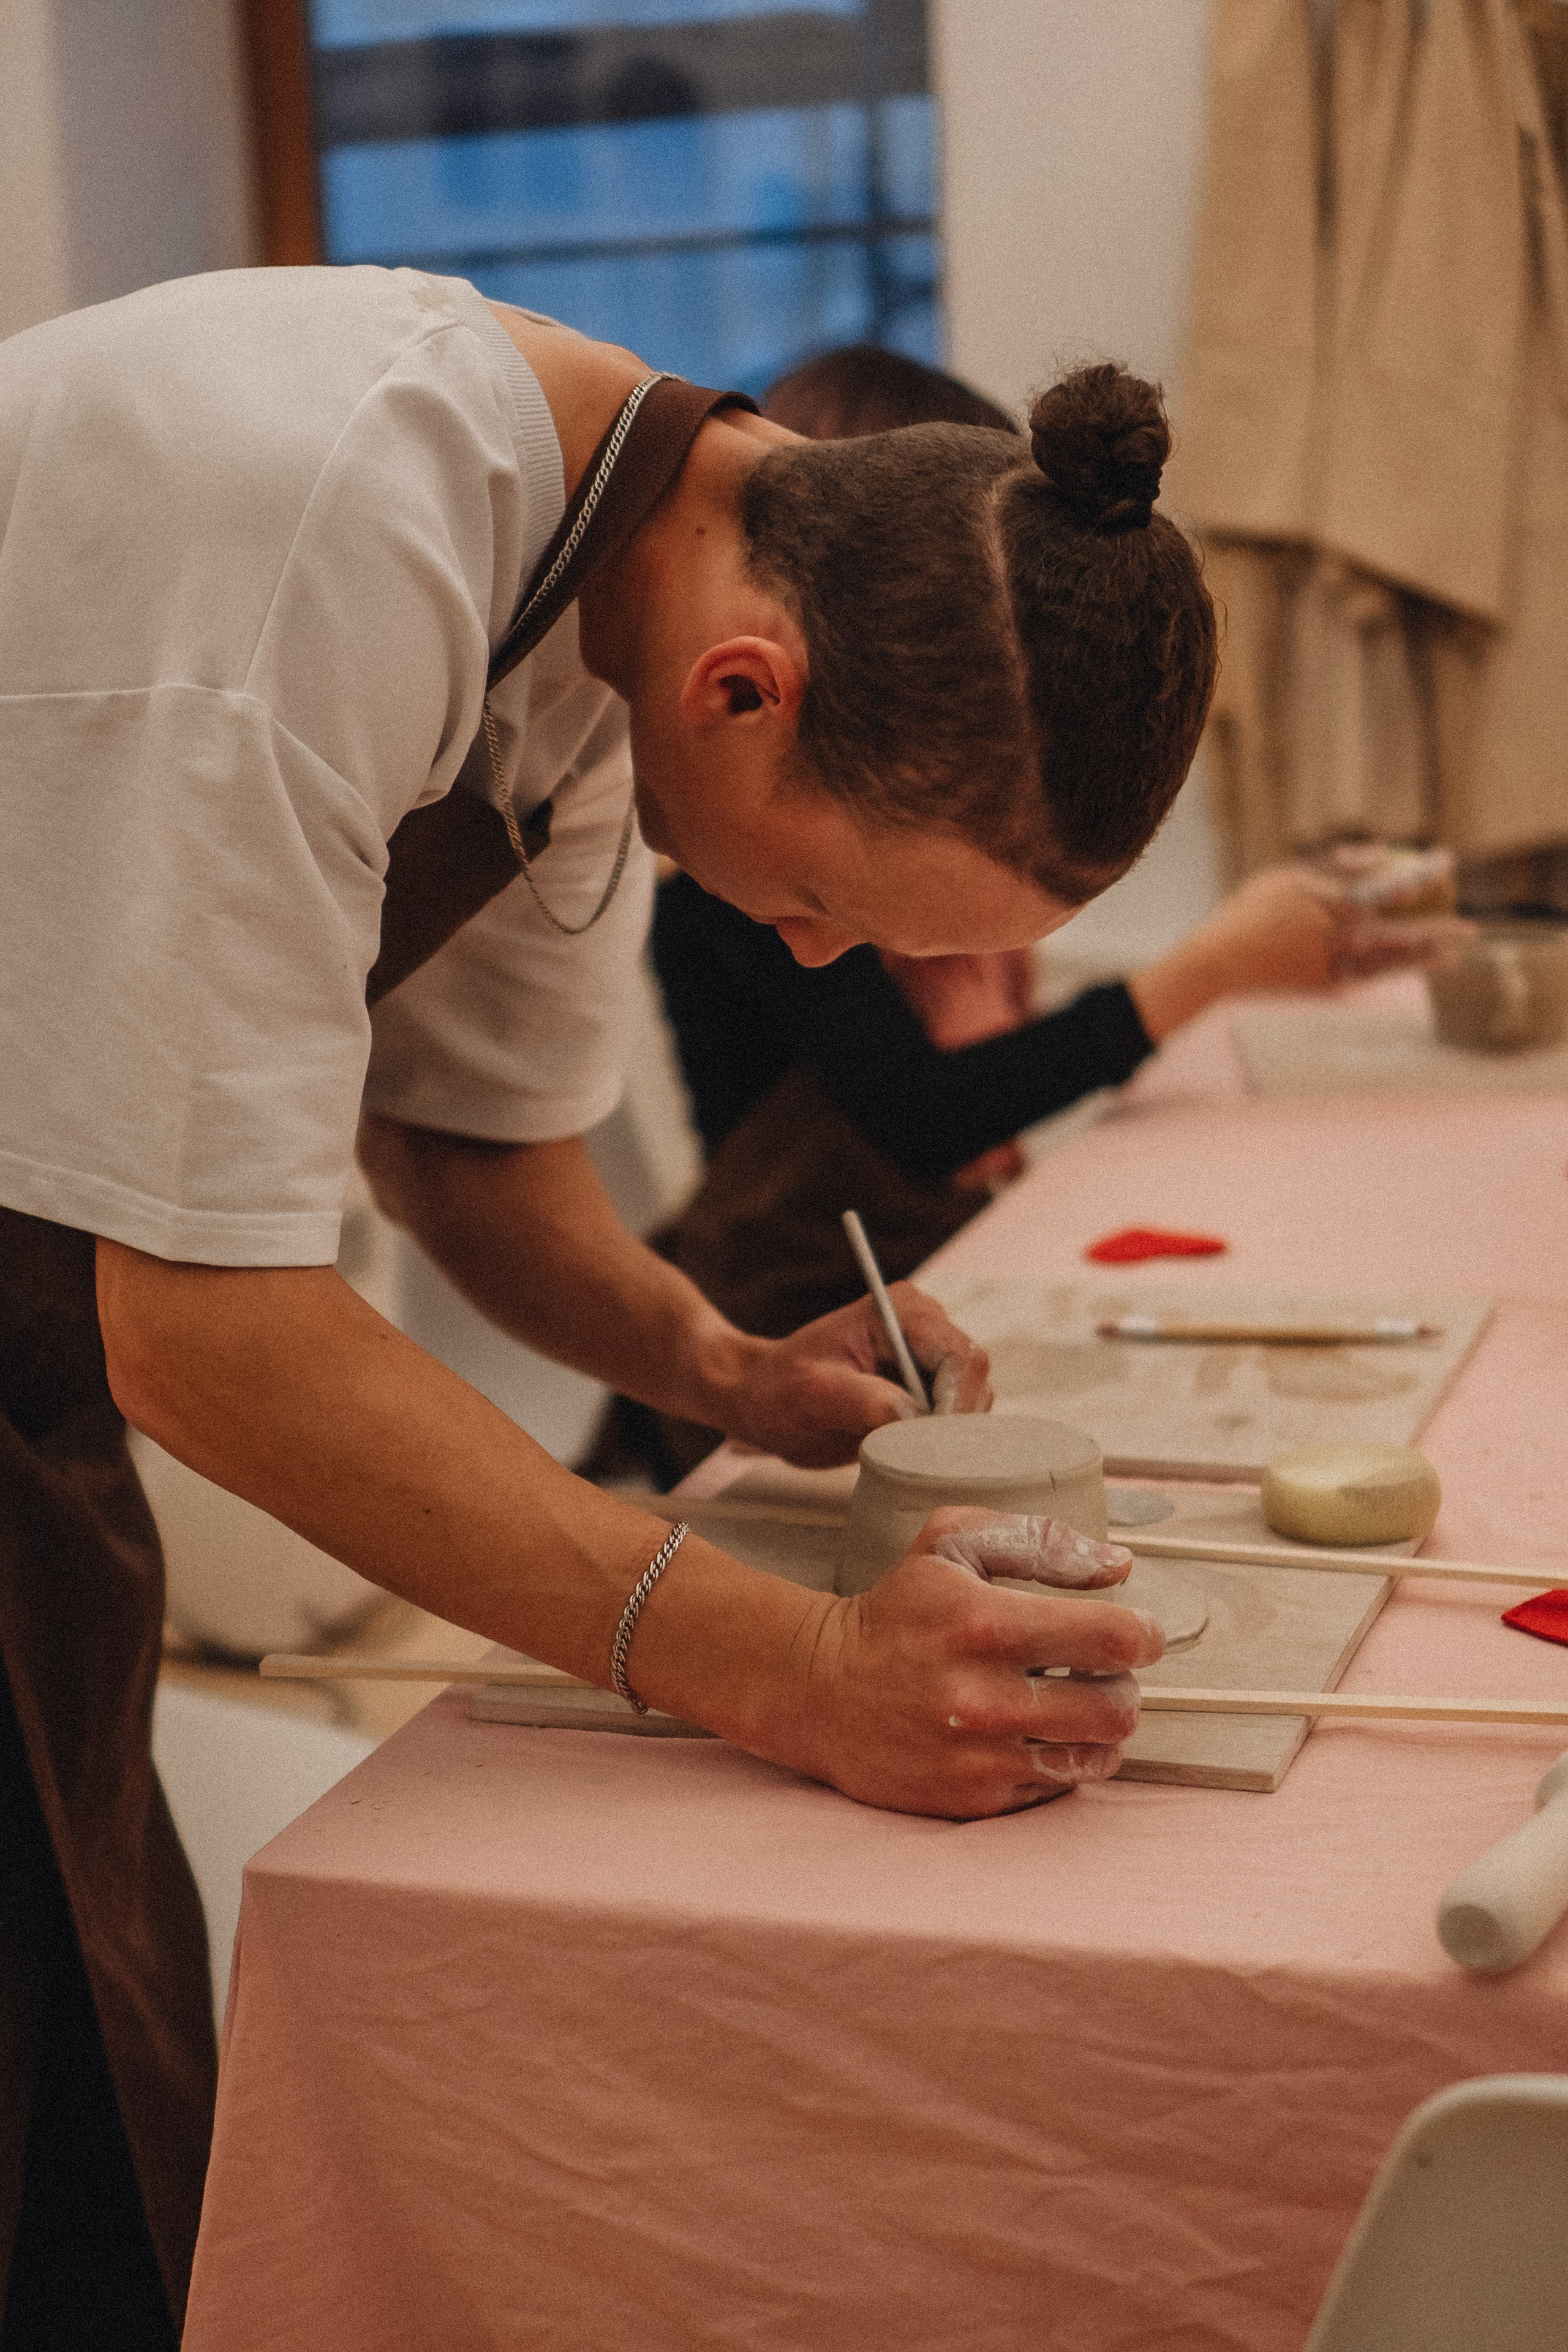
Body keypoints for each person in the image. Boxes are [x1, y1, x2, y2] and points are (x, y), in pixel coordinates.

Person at [0, 268, 1215, 2332]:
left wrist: (720, 1362)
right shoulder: (332, 520)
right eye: (838, 908)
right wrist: (792, 1668)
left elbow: (470, 1155)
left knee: (102, 2069)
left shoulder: (606, 591)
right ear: (748, 691)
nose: (818, 960)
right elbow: (200, 1329)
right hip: (80, 1306)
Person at [584, 347, 1470, 1486]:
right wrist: (1207, 971)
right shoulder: (737, 840)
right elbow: (921, 1111)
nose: (817, 938)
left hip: (878, 1298)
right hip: (783, 1301)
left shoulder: (853, 827)